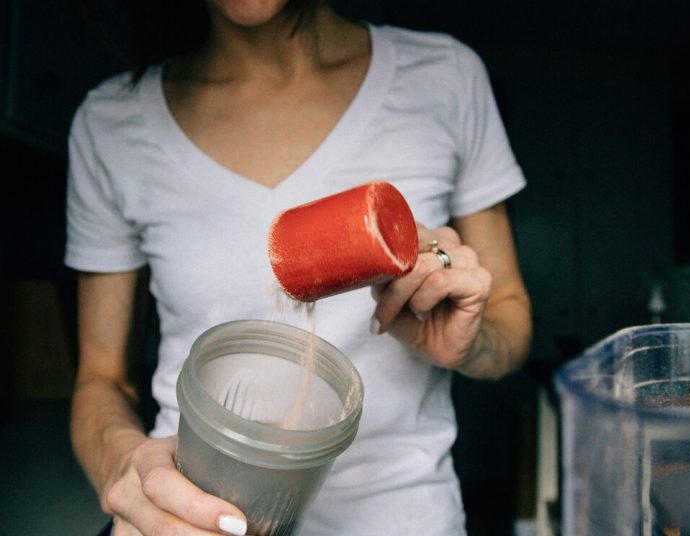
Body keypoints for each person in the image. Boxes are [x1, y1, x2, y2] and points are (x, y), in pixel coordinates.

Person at [65, 0, 532, 534]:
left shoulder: (445, 77)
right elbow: (101, 379)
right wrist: (128, 467)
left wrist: (471, 342)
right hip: (194, 517)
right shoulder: (111, 122)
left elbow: (511, 318)